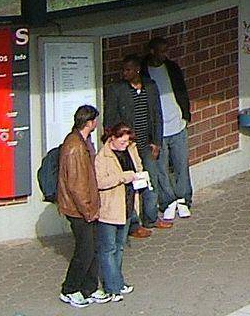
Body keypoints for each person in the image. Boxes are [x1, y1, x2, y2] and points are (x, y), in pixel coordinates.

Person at [100, 57, 169, 234]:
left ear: (137, 70)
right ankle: (134, 224)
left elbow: (157, 116)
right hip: (127, 145)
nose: (125, 74)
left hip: (146, 143)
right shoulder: (117, 90)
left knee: (150, 179)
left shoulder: (150, 87)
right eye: (123, 70)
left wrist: (157, 142)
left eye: (128, 70)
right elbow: (110, 118)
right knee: (131, 183)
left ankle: (151, 218)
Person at [55, 104, 102, 308]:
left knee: (91, 248)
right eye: (95, 120)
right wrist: (88, 210)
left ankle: (89, 288)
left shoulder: (83, 142)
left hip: (84, 206)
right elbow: (76, 185)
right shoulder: (75, 147)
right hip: (78, 208)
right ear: (89, 122)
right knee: (84, 250)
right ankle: (70, 288)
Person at [141, 36, 194, 220]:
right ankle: (167, 201)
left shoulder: (171, 67)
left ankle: (183, 199)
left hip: (177, 123)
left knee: (181, 164)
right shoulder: (144, 71)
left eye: (166, 51)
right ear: (152, 51)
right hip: (158, 130)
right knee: (161, 168)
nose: (165, 55)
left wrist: (186, 114)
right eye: (161, 51)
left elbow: (181, 90)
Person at [94, 123, 146, 301]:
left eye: (127, 141)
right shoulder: (103, 157)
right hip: (110, 209)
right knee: (108, 248)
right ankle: (112, 287)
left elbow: (137, 166)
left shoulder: (131, 149)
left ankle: (118, 281)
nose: (125, 144)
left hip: (128, 205)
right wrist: (124, 177)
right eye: (122, 142)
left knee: (120, 246)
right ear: (112, 139)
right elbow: (100, 182)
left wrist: (140, 176)